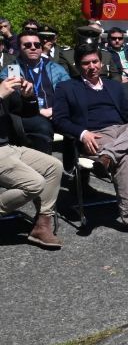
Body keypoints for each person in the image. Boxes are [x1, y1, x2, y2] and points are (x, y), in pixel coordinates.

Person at [52, 42, 128, 237]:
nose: (91, 67)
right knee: (123, 158)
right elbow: (59, 120)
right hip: (97, 135)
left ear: (101, 63)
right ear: (77, 65)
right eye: (85, 63)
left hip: (121, 133)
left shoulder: (113, 86)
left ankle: (108, 156)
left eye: (95, 61)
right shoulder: (67, 87)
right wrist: (83, 133)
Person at [0, 74, 63, 248]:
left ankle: (41, 226)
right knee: (35, 184)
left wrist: (29, 97)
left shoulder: (2, 83)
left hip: (9, 147)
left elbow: (28, 113)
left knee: (54, 166)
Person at [0, 29, 70, 153]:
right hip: (27, 115)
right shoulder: (12, 70)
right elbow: (13, 103)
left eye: (37, 45)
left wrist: (56, 110)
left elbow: (69, 93)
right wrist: (40, 110)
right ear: (19, 48)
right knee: (42, 126)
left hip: (55, 112)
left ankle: (74, 165)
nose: (33, 48)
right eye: (27, 45)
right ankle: (46, 167)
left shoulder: (55, 68)